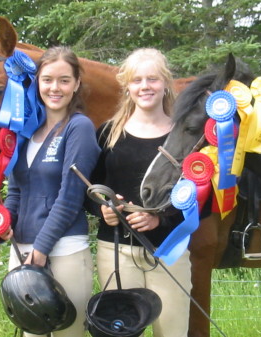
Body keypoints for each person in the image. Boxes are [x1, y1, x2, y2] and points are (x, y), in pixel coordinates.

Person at [89, 48, 192, 337]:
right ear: (127, 87)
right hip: (115, 252)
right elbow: (88, 190)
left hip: (169, 253)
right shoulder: (108, 133)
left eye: (153, 79)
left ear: (165, 83)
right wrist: (102, 210)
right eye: (137, 80)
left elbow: (201, 200)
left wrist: (162, 221)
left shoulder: (185, 137)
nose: (145, 86)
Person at [0, 46, 101, 337]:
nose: (54, 88)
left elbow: (70, 196)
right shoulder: (27, 129)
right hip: (22, 253)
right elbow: (16, 191)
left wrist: (41, 248)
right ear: (37, 82)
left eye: (64, 80)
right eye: (47, 79)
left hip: (64, 252)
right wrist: (7, 220)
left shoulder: (79, 128)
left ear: (76, 84)